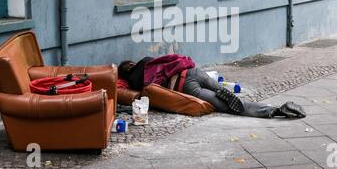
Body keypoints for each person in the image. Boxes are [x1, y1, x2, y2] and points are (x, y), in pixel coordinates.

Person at [119, 55, 306, 119]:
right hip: (193, 71)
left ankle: (274, 111)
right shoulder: (147, 61)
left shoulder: (135, 81)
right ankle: (273, 109)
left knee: (226, 105)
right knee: (223, 92)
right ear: (132, 63)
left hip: (186, 86)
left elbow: (151, 92)